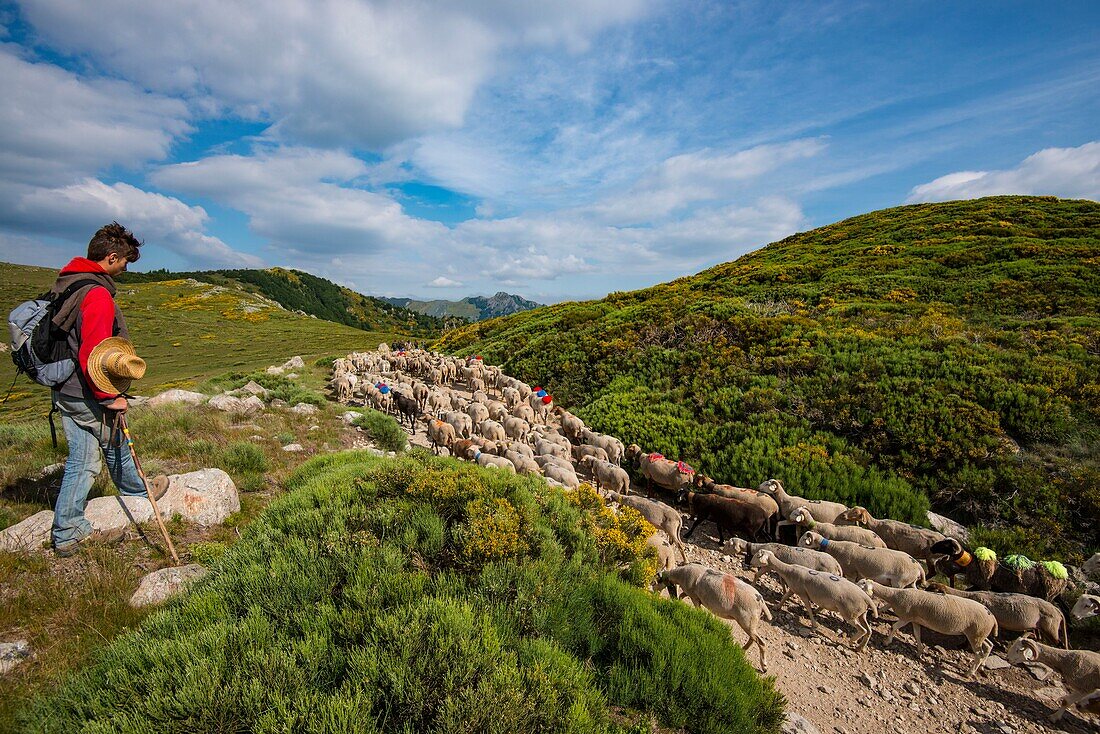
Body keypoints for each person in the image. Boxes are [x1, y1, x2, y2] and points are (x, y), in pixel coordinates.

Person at [49, 222, 163, 557]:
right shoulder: (96, 294)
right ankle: (138, 493)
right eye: (125, 263)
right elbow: (92, 352)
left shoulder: (68, 282)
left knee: (83, 458)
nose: (125, 269)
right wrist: (108, 396)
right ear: (111, 257)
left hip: (65, 386)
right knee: (114, 443)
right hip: (85, 388)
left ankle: (67, 529)